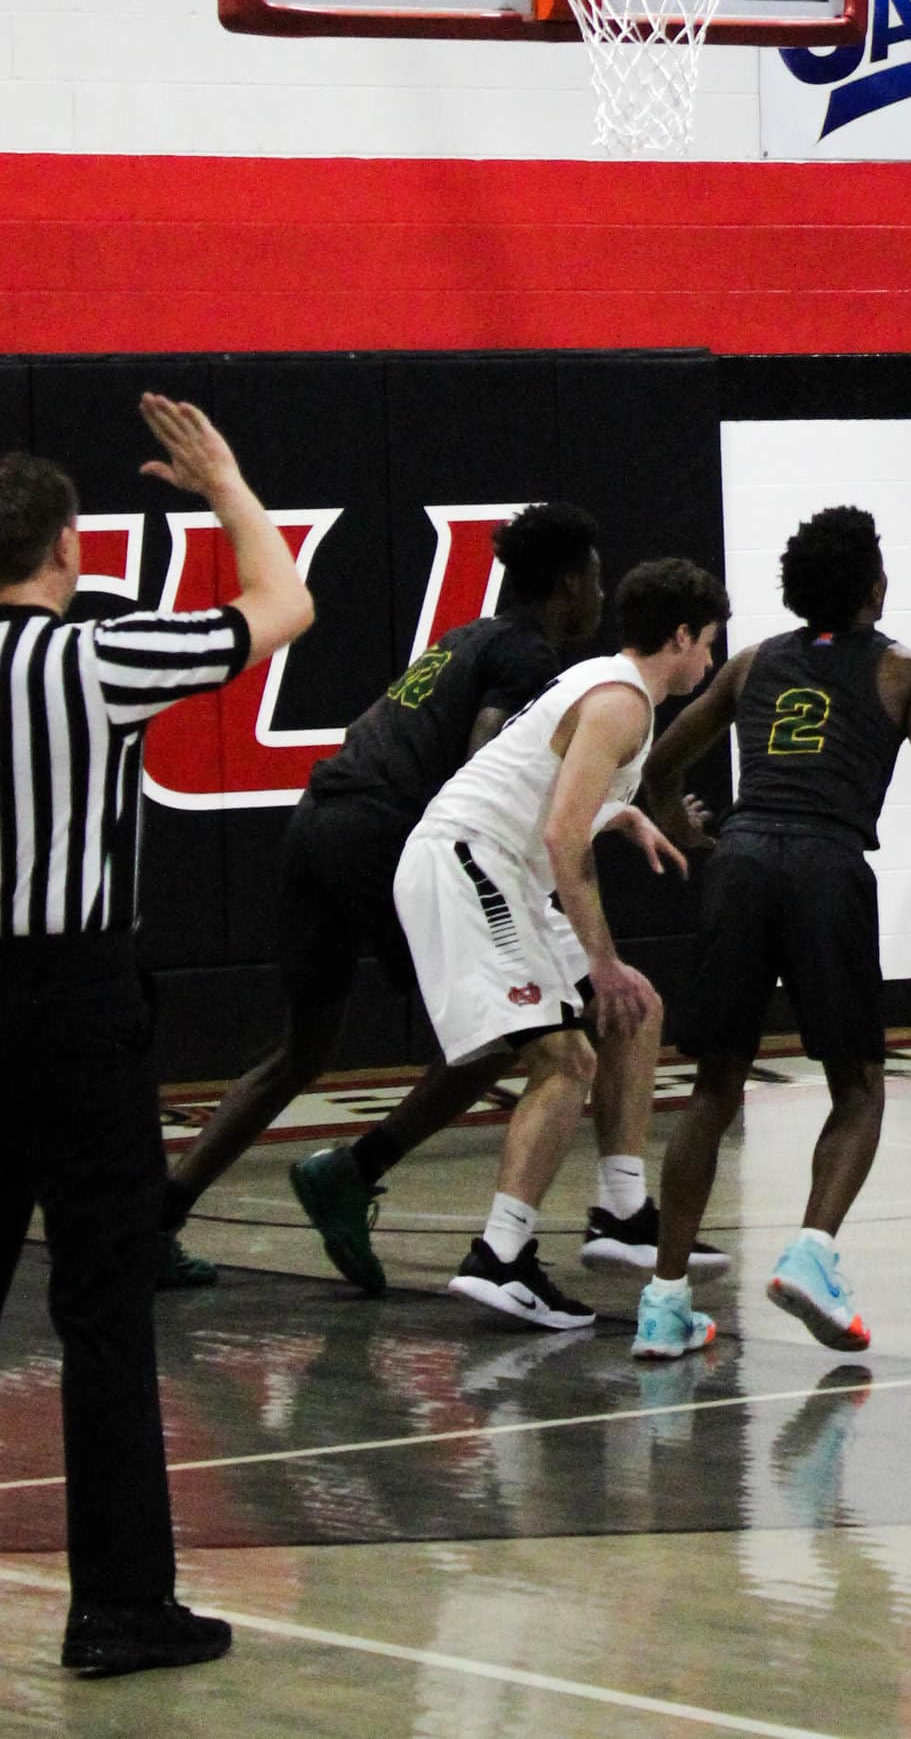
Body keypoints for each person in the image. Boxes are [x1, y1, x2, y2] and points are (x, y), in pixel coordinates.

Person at [0, 397, 311, 1676]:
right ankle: (119, 1605)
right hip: (78, 1000)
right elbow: (284, 607)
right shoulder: (100, 660)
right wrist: (227, 479)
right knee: (101, 1295)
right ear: (68, 548)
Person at [160, 503, 727, 1295]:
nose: (599, 595)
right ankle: (366, 1176)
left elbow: (387, 724)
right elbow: (488, 762)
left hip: (320, 816)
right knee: (515, 1033)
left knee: (304, 1047)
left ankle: (162, 1212)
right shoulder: (532, 658)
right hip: (405, 837)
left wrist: (613, 810)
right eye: (593, 577)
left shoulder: (469, 635)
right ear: (570, 585)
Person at [634, 506, 911, 1362]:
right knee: (858, 1087)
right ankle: (812, 1251)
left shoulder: (754, 662)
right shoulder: (908, 673)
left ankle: (663, 1300)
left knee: (713, 1089)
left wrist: (678, 830)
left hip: (743, 862)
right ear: (875, 585)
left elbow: (657, 760)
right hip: (827, 867)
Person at [396, 558, 726, 1330]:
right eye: (706, 643)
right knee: (567, 1056)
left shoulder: (608, 684)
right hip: (469, 862)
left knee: (637, 1013)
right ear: (679, 636)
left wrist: (625, 813)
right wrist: (600, 960)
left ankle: (621, 1209)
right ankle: (500, 1258)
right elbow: (558, 830)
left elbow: (551, 784)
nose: (709, 662)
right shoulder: (621, 703)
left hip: (499, 865)